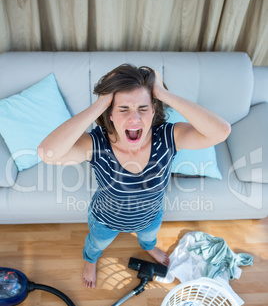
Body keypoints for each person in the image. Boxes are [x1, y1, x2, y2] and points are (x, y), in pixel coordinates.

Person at [38, 64, 231, 289]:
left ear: (153, 109)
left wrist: (163, 92)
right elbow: (47, 153)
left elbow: (221, 131)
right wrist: (100, 103)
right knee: (95, 245)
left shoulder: (168, 137)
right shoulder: (97, 144)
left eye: (142, 108)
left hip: (150, 216)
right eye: (123, 109)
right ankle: (90, 261)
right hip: (105, 220)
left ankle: (148, 247)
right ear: (110, 114)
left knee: (149, 238)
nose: (134, 119)